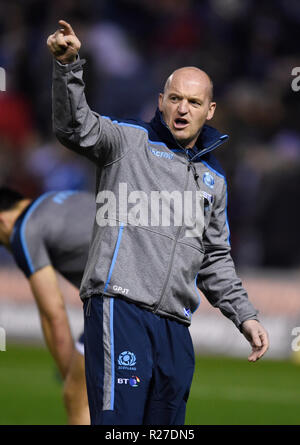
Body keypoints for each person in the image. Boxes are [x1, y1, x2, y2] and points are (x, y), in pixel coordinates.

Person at [47, 20, 269, 425]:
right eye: (175, 98)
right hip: (119, 308)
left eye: (194, 102)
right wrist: (68, 67)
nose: (183, 109)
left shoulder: (214, 178)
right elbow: (74, 127)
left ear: (210, 110)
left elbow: (214, 257)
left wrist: (245, 314)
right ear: (161, 100)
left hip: (175, 328)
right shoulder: (126, 142)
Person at [0, 187, 95, 424]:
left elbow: (53, 314)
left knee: (77, 398)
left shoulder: (24, 230)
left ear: (1, 221)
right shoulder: (59, 197)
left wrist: (69, 379)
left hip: (120, 301)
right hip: (158, 288)